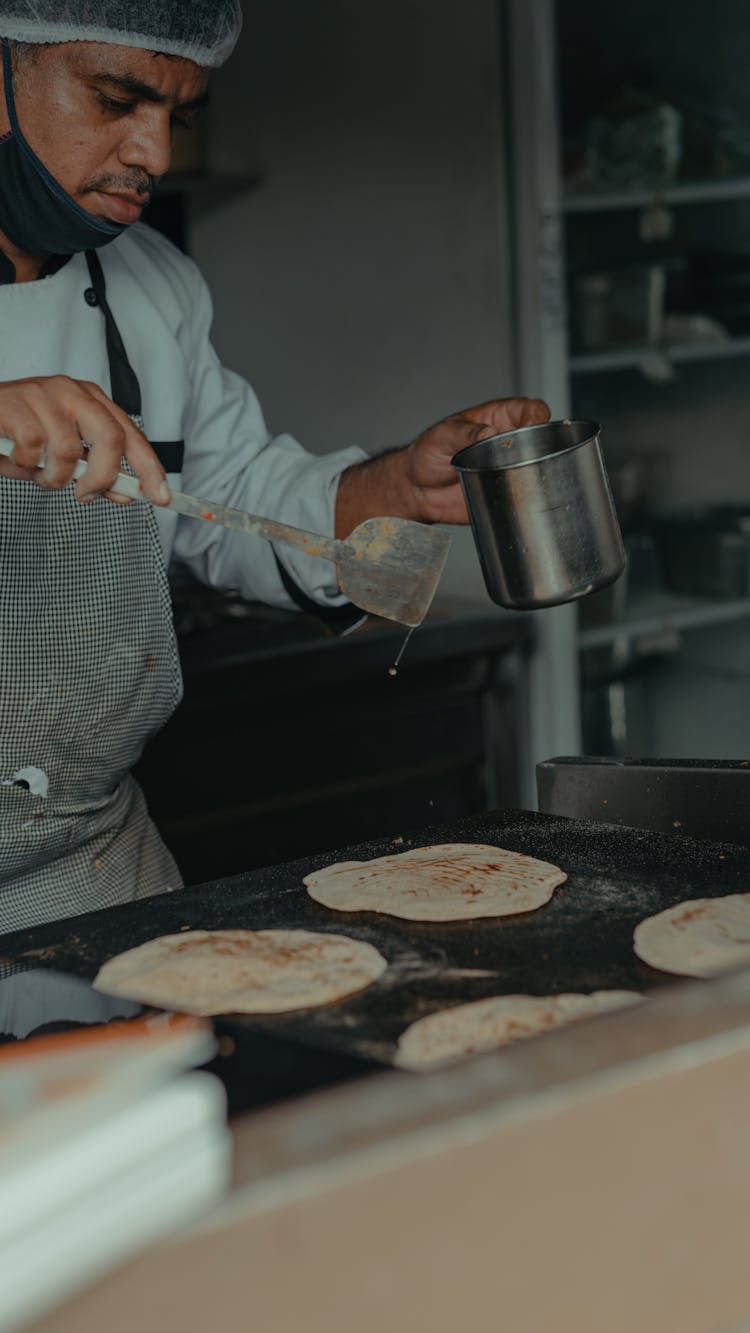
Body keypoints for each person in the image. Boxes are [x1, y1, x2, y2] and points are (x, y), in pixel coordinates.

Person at [0, 0, 549, 936]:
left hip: (88, 861)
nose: (155, 154)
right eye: (117, 100)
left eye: (177, 114)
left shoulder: (154, 288)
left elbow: (232, 496)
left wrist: (395, 492)